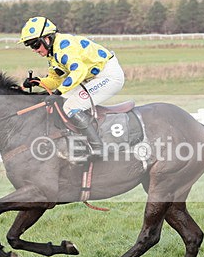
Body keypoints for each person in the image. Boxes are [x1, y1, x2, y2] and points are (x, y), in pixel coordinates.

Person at [19, 16, 125, 157]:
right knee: (62, 100)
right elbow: (55, 80)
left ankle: (98, 147)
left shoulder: (65, 47)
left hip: (108, 76)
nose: (34, 50)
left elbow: (78, 71)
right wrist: (38, 82)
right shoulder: (53, 54)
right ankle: (72, 140)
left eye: (35, 45)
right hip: (91, 78)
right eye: (30, 46)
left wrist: (59, 92)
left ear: (47, 39)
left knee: (71, 106)